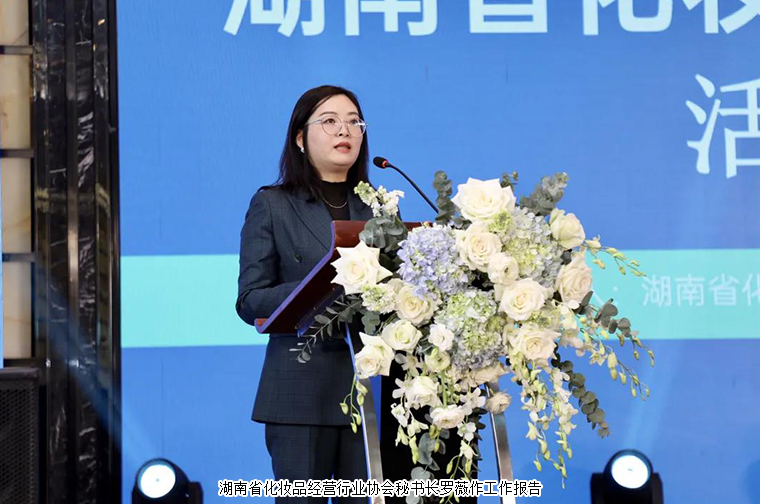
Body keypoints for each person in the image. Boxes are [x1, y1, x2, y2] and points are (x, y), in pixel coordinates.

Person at [236, 85, 374, 503]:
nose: (344, 130)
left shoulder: (380, 209)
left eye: (353, 122)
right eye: (329, 121)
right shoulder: (273, 204)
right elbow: (250, 299)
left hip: (370, 396)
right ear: (300, 137)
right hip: (299, 395)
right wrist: (321, 286)